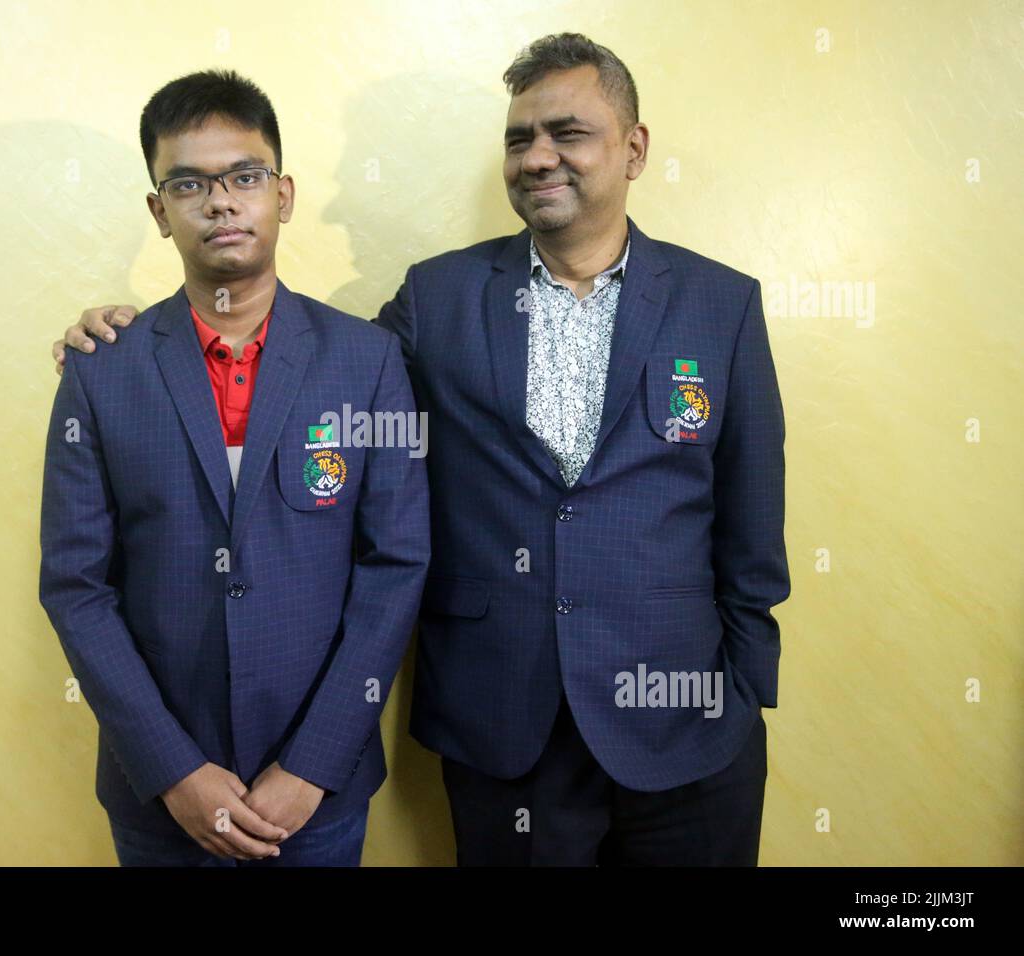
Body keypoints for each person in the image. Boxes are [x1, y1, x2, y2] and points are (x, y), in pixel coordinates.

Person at [54, 34, 789, 866]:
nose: (539, 157)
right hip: (508, 730)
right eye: (519, 139)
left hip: (686, 724)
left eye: (568, 132)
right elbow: (302, 367)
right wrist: (125, 339)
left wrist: (744, 689)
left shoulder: (719, 304)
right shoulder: (438, 298)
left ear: (634, 148)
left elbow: (753, 517)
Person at [39, 69, 429, 866]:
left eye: (244, 177)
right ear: (159, 211)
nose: (221, 201)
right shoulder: (102, 371)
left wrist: (312, 765)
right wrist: (174, 770)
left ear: (282, 194)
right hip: (161, 798)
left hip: (317, 795)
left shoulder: (368, 361)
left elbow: (396, 566)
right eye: (189, 183)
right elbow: (76, 586)